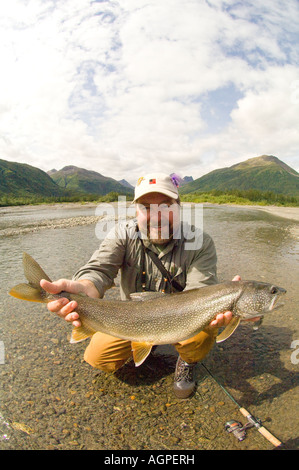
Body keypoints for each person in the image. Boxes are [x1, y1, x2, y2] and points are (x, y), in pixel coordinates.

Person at [41, 173, 251, 399]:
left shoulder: (200, 242)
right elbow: (99, 270)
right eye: (146, 208)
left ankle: (187, 361)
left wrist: (232, 303)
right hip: (130, 319)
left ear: (178, 208)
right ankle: (143, 344)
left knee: (205, 329)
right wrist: (83, 287)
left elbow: (202, 292)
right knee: (98, 357)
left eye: (165, 205)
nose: (156, 216)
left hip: (182, 319)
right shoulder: (122, 234)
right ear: (136, 212)